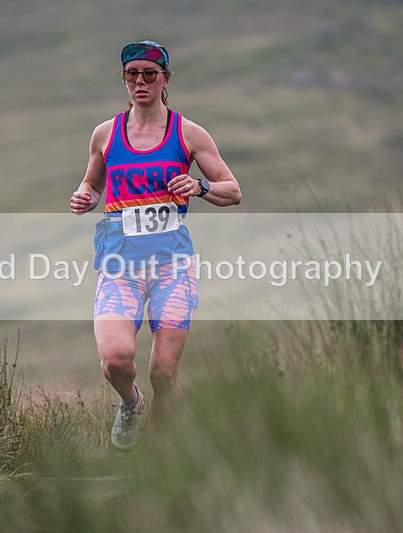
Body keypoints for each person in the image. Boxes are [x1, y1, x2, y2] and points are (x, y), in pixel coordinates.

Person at [70, 40, 241, 451]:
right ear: (124, 79)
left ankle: (164, 459)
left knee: (164, 375)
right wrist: (85, 197)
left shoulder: (188, 133)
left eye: (150, 73)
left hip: (172, 268)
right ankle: (130, 404)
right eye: (132, 74)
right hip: (119, 266)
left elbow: (232, 191)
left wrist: (199, 186)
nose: (141, 81)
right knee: (115, 359)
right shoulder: (105, 133)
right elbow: (92, 183)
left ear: (166, 79)